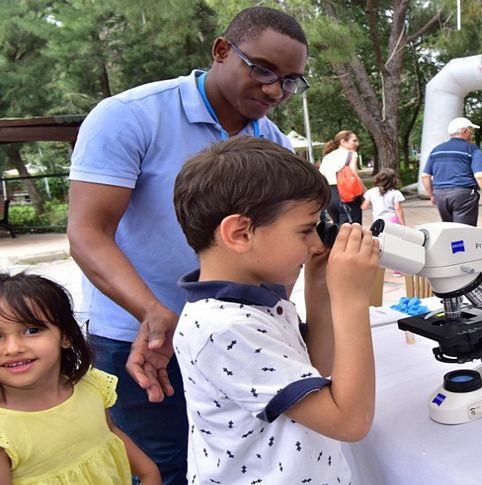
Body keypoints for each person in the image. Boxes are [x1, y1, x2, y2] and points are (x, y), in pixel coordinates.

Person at [66, 7, 309, 483]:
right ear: (221, 51)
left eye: (291, 80)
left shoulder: (272, 140)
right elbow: (87, 233)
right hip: (141, 335)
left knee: (238, 460)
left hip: (237, 335)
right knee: (163, 466)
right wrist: (153, 312)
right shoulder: (130, 117)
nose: (275, 90)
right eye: (263, 70)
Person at [171, 136, 379, 483]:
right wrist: (352, 299)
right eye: (305, 230)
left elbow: (313, 369)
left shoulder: (252, 299)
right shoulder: (224, 328)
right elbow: (350, 421)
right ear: (240, 233)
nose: (315, 243)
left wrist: (319, 288)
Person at [0, 272, 161, 484]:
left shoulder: (90, 386)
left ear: (65, 336)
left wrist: (150, 473)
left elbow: (110, 432)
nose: (14, 348)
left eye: (32, 330)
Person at [421, 117, 482, 226]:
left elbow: (425, 176)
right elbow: (480, 176)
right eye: (471, 130)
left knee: (451, 229)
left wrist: (432, 195)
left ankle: (454, 243)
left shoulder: (436, 150)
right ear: (465, 131)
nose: (472, 134)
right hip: (463, 195)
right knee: (463, 232)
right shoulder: (472, 149)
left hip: (440, 195)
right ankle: (460, 244)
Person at [319, 130, 364, 224]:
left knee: (338, 229)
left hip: (330, 197)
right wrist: (365, 193)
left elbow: (321, 176)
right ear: (343, 142)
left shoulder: (327, 157)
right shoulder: (351, 154)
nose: (357, 144)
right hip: (346, 195)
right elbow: (354, 175)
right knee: (353, 230)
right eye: (354, 140)